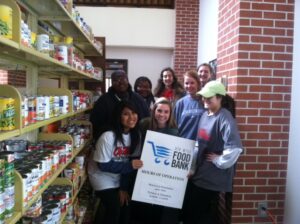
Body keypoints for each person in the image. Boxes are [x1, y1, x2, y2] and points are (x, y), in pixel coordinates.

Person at [183, 80, 243, 224]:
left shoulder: (224, 117)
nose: (204, 100)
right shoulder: (206, 115)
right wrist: (192, 167)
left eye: (209, 97)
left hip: (212, 178)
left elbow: (235, 148)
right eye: (204, 96)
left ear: (219, 98)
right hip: (201, 174)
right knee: (191, 212)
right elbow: (199, 144)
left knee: (199, 216)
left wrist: (218, 159)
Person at [88, 101, 144, 224]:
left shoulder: (136, 135)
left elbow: (129, 164)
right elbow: (102, 165)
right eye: (126, 114)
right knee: (114, 208)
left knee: (126, 206)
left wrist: (123, 188)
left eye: (134, 113)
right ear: (118, 116)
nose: (131, 117)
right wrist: (129, 166)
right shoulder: (108, 136)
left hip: (119, 175)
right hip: (101, 176)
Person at [134, 97, 179, 224]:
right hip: (144, 172)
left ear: (170, 114)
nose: (162, 115)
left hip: (164, 175)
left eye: (166, 112)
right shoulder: (144, 125)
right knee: (144, 206)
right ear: (154, 111)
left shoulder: (174, 130)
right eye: (159, 111)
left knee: (160, 205)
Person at [90, 70, 149, 141]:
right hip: (112, 141)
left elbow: (146, 119)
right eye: (116, 80)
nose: (120, 82)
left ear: (127, 80)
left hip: (135, 140)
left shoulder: (138, 99)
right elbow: (96, 123)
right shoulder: (103, 101)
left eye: (123, 79)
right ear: (111, 82)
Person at [174, 70, 205, 140]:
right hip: (183, 144)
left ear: (198, 83)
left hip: (201, 144)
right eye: (186, 83)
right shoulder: (180, 103)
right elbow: (174, 126)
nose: (189, 86)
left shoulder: (205, 101)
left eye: (192, 83)